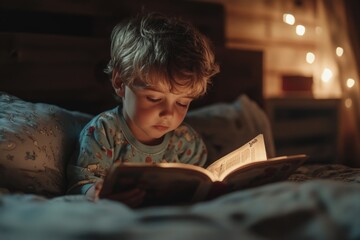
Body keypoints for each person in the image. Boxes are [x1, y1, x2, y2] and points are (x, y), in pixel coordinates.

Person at [66, 12, 219, 207]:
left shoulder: (187, 143)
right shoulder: (103, 131)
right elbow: (82, 181)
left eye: (182, 103)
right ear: (120, 83)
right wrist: (96, 194)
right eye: (154, 98)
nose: (169, 114)